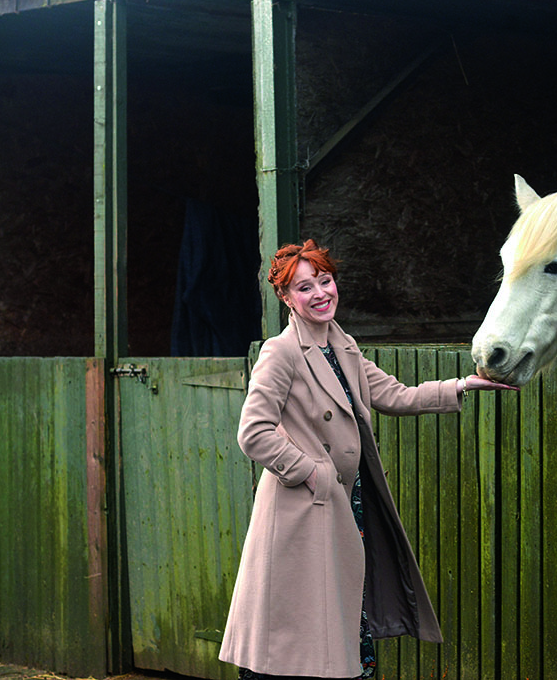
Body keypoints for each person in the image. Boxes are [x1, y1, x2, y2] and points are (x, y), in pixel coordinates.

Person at [219, 240, 516, 680]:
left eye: (325, 280)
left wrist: (462, 385)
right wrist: (314, 474)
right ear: (285, 298)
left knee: (341, 615)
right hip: (305, 507)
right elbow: (254, 433)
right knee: (295, 634)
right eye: (305, 287)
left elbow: (394, 395)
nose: (321, 293)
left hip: (345, 502)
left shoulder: (343, 345)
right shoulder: (279, 352)